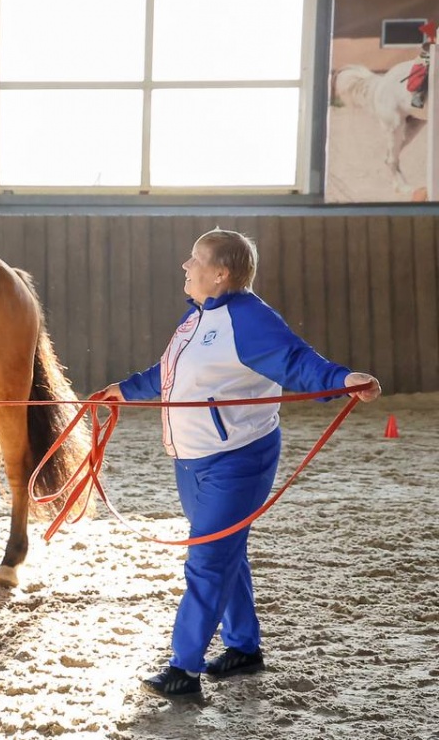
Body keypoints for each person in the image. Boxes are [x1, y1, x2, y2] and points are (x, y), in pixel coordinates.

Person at [97, 228, 381, 698]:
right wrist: (125, 390)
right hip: (191, 461)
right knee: (226, 552)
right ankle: (244, 648)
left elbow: (296, 362)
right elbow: (170, 373)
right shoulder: (197, 318)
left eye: (194, 260)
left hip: (236, 460)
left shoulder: (248, 318)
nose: (186, 267)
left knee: (207, 560)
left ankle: (182, 670)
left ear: (220, 273)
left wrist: (343, 379)